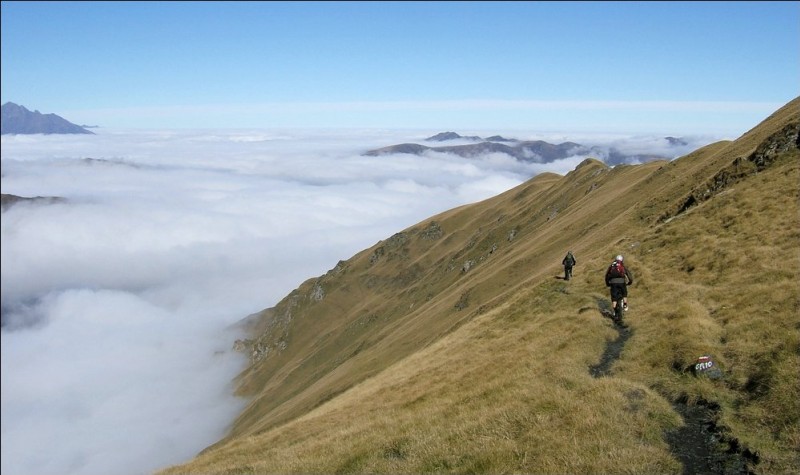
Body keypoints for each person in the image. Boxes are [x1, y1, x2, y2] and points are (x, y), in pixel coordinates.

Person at [605, 254, 633, 320]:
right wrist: (630, 282)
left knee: (614, 298)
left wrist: (608, 284)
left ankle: (615, 311)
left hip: (613, 283)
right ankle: (625, 304)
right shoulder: (622, 266)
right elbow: (628, 274)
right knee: (624, 293)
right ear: (622, 260)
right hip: (622, 282)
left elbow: (607, 276)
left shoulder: (611, 266)